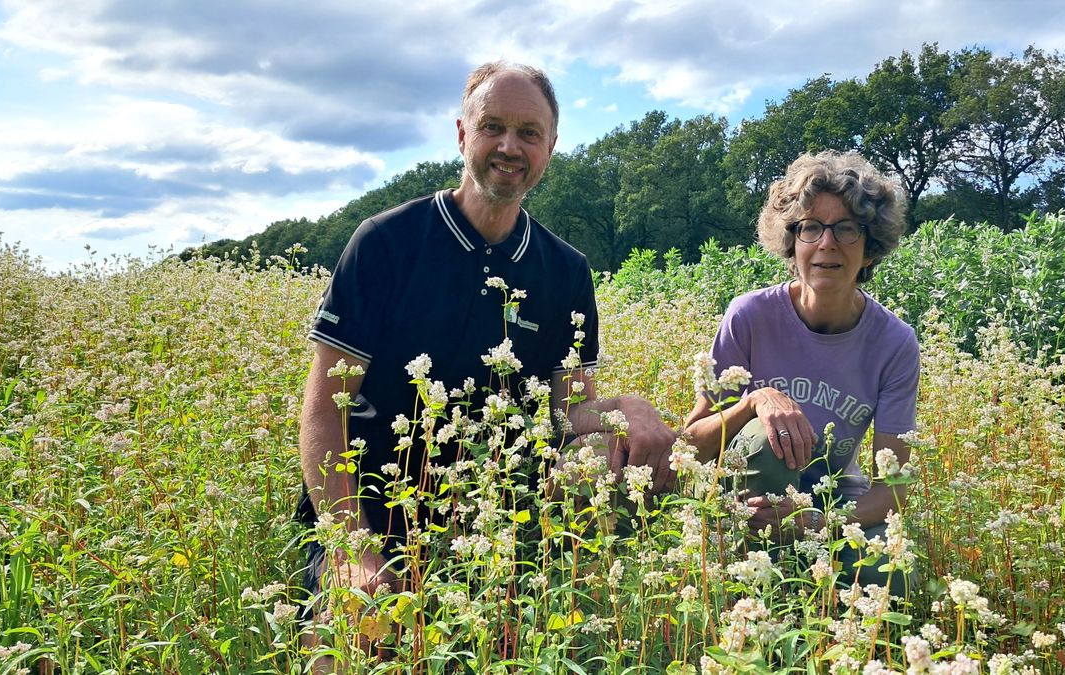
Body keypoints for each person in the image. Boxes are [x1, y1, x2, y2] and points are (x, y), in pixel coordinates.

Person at [296, 62, 676, 628]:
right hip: (374, 507)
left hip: (498, 511)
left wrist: (627, 408)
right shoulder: (386, 243)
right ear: (461, 134)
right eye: (492, 126)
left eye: (529, 133)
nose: (509, 146)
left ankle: (568, 606)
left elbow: (569, 408)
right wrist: (354, 549)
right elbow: (326, 411)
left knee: (603, 460)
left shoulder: (566, 270)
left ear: (549, 147)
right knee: (359, 633)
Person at [683, 150, 919, 594]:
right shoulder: (749, 316)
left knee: (892, 575)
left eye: (847, 229)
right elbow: (691, 445)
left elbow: (893, 491)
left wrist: (816, 523)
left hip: (830, 502)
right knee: (768, 439)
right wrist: (753, 402)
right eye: (811, 227)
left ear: (870, 249)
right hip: (745, 496)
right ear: (792, 243)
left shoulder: (895, 343)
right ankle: (754, 582)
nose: (827, 243)